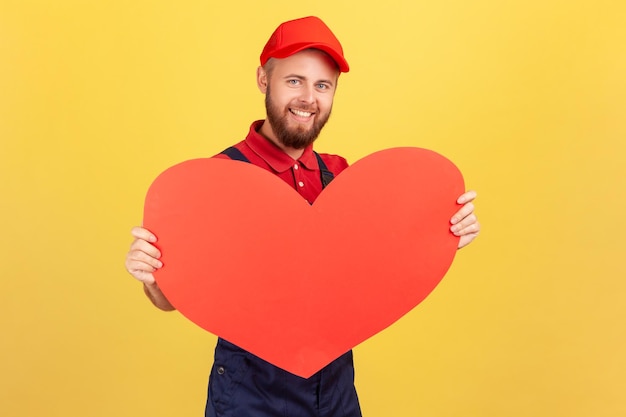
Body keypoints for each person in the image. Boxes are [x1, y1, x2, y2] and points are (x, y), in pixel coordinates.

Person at [125, 16, 480, 417]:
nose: (308, 97)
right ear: (264, 79)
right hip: (248, 396)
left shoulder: (345, 179)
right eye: (294, 81)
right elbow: (171, 299)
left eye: (322, 85)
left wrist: (445, 230)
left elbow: (382, 264)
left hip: (335, 393)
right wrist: (152, 278)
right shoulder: (216, 183)